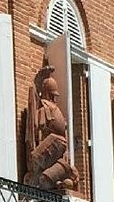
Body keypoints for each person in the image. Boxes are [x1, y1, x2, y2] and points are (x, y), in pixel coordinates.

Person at [22, 63, 78, 191]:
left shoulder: (52, 108)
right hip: (49, 153)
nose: (54, 98)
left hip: (58, 153)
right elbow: (39, 130)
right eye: (53, 95)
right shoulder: (45, 109)